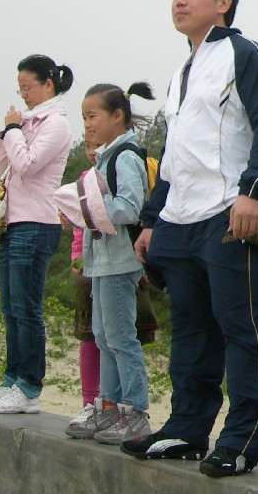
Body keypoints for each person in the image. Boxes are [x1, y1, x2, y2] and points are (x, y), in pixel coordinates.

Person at [121, 0, 258, 479]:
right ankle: (186, 428)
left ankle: (243, 439)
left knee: (240, 327)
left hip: (227, 214)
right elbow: (174, 153)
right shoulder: (181, 73)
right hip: (178, 219)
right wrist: (151, 220)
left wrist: (253, 192)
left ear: (223, 3)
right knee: (191, 330)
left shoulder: (249, 54)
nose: (179, 0)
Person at [0, 54, 74, 414]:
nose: (24, 95)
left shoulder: (57, 124)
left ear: (48, 85)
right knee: (10, 307)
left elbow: (28, 165)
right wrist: (8, 134)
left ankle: (29, 387)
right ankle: (11, 381)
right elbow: (5, 166)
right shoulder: (29, 122)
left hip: (37, 223)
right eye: (20, 89)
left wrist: (14, 130)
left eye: (28, 87)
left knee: (26, 308)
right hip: (13, 221)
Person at [63, 82, 156, 444]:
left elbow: (130, 207)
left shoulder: (125, 157)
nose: (88, 124)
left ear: (117, 116)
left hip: (120, 263)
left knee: (120, 337)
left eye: (93, 116)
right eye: (84, 117)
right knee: (103, 336)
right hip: (101, 263)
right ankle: (109, 406)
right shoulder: (105, 156)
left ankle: (135, 411)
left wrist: (87, 209)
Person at [65, 142, 102, 435]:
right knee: (87, 337)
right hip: (88, 266)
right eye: (88, 146)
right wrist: (76, 255)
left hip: (117, 267)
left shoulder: (126, 168)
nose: (92, 151)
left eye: (98, 145)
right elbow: (79, 226)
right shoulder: (83, 180)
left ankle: (119, 404)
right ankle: (89, 402)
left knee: (116, 340)